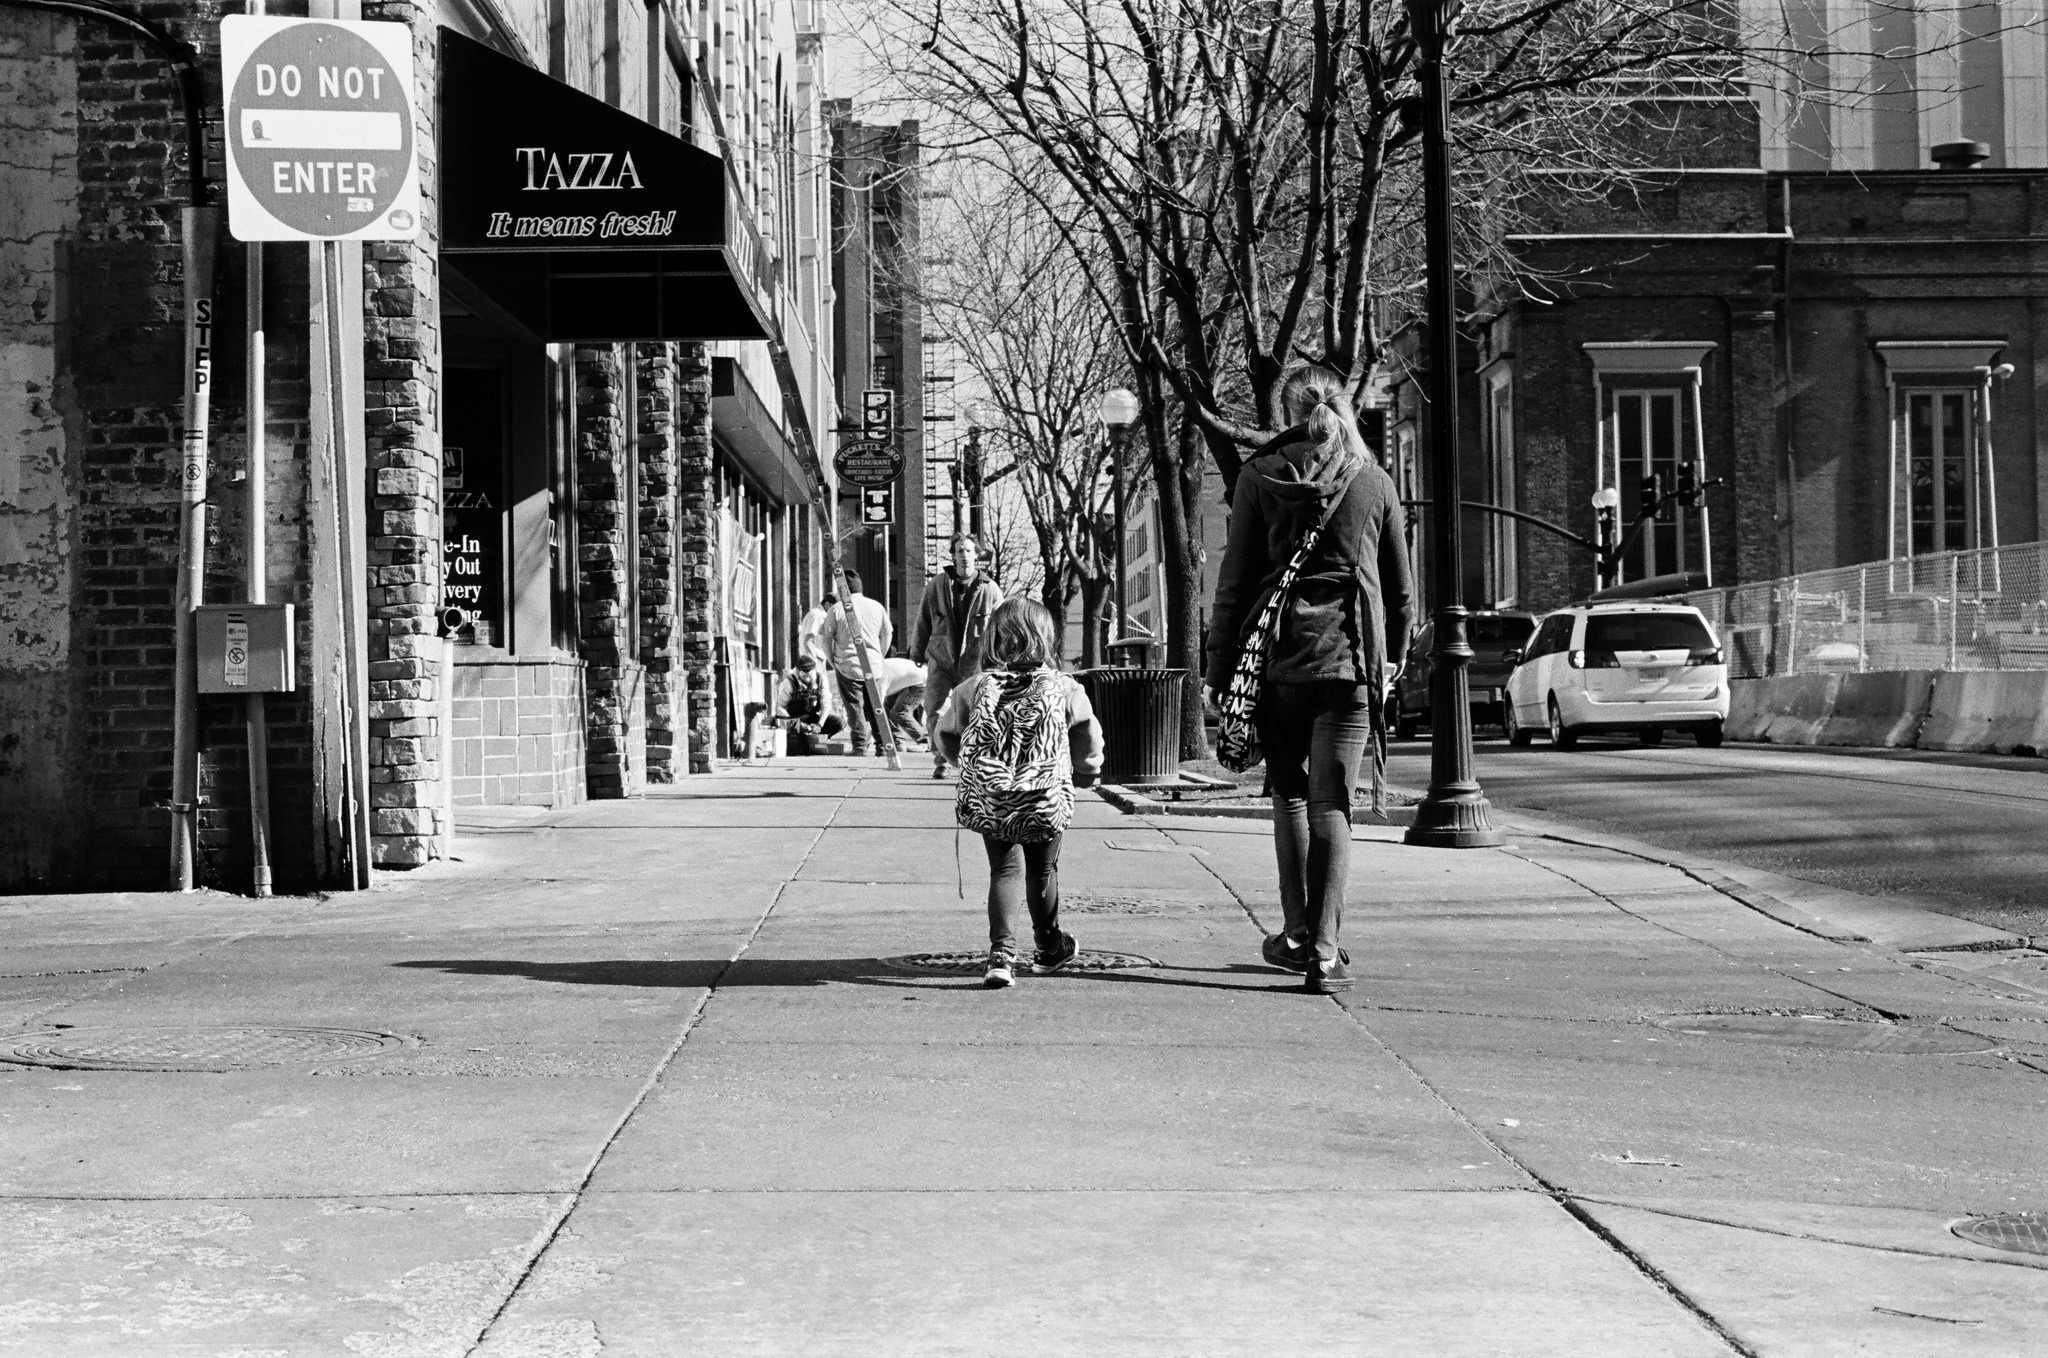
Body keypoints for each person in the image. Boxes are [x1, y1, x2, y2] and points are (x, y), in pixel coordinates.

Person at [1203, 363, 1413, 996]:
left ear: (1288, 410)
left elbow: (1234, 583)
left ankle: (1295, 937)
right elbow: (1402, 590)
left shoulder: (1257, 476)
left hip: (1274, 665)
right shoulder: (1373, 482)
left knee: (1289, 794)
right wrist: (1395, 654)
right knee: (1333, 803)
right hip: (1348, 663)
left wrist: (1219, 669)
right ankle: (1324, 953)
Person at [937, 598, 1104, 989]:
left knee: (1004, 870)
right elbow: (1087, 738)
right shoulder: (1064, 688)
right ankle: (1048, 948)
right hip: (1046, 795)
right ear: (1046, 639)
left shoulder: (973, 688)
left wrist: (967, 767)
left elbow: (946, 736)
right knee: (1043, 870)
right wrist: (1086, 772)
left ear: (993, 639)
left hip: (992, 796)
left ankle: (1001, 956)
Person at [912, 534, 1006, 780]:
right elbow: (922, 619)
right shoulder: (937, 585)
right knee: (935, 708)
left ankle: (973, 759)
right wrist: (917, 650)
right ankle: (941, 758)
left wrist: (1000, 658)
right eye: (959, 551)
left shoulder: (990, 588)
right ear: (953, 555)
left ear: (976, 555)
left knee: (977, 712)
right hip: (941, 657)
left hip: (974, 662)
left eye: (968, 551)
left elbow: (1002, 627)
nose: (964, 555)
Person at [821, 570, 893, 756]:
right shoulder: (877, 606)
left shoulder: (836, 609)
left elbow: (826, 639)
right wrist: (880, 655)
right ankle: (883, 746)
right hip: (873, 666)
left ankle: (860, 746)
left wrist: (832, 660)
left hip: (848, 665)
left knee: (854, 706)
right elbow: (887, 633)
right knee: (875, 706)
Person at [878, 655, 929, 748]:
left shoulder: (881, 676)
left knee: (899, 713)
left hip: (922, 681)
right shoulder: (878, 666)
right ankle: (897, 741)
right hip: (906, 680)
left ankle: (923, 740)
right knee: (887, 710)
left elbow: (877, 705)